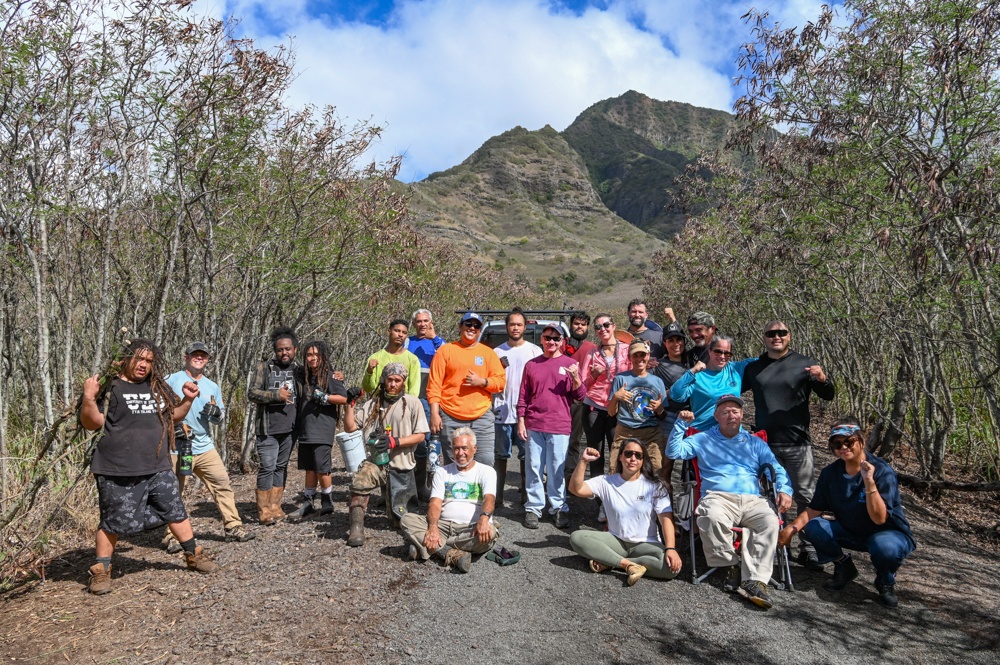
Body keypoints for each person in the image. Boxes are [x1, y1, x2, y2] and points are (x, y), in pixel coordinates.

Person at [80, 339, 218, 595]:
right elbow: (93, 422)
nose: (144, 365)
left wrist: (187, 401)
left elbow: (172, 417)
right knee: (112, 521)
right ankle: (101, 570)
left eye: (149, 361)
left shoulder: (156, 387)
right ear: (126, 359)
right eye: (139, 359)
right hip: (117, 468)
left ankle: (194, 554)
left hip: (157, 465)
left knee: (175, 509)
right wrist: (88, 398)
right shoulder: (111, 387)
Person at [667, 395, 792, 610]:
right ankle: (730, 564)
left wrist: (784, 489)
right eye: (725, 412)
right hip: (718, 497)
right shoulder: (703, 439)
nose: (730, 415)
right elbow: (674, 451)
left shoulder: (755, 442)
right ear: (716, 416)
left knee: (770, 521)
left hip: (753, 499)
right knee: (711, 516)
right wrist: (680, 424)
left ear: (742, 415)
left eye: (735, 411)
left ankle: (755, 580)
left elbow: (775, 469)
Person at [778, 418, 915, 608]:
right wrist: (790, 530)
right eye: (837, 443)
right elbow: (814, 509)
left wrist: (869, 482)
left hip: (887, 533)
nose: (843, 447)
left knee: (885, 547)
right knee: (814, 526)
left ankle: (885, 581)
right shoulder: (830, 473)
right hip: (851, 530)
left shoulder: (882, 471)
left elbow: (879, 518)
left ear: (862, 441)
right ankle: (843, 565)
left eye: (849, 442)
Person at [743, 321, 836, 569]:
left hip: (798, 442)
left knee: (805, 496)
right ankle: (773, 545)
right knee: (769, 496)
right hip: (765, 443)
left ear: (789, 336)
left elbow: (828, 394)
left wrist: (823, 379)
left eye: (781, 333)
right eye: (771, 334)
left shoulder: (805, 364)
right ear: (763, 338)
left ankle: (809, 548)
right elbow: (729, 390)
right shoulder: (754, 368)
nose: (776, 337)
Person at [163, 342, 253, 552]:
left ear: (207, 360)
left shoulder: (212, 386)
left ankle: (233, 527)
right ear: (186, 357)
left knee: (222, 484)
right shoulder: (171, 380)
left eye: (203, 356)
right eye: (195, 355)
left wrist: (216, 414)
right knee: (173, 492)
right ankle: (171, 536)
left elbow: (219, 418)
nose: (199, 358)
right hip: (177, 446)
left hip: (204, 446)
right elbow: (159, 409)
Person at [567, 440, 682, 585]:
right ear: (620, 457)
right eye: (628, 454)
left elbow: (666, 519)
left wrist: (670, 548)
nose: (633, 459)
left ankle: (611, 562)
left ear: (643, 460)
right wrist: (583, 461)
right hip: (616, 541)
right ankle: (627, 565)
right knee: (577, 537)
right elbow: (575, 489)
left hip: (647, 544)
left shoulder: (655, 486)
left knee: (671, 569)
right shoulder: (606, 482)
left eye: (638, 455)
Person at [344, 363, 429, 546]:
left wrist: (395, 442)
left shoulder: (413, 403)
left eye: (397, 380)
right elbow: (350, 427)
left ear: (403, 382)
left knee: (401, 522)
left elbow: (421, 435)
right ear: (383, 380)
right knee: (360, 481)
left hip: (402, 464)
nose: (392, 384)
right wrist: (349, 404)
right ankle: (356, 528)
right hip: (377, 462)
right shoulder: (372, 404)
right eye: (389, 380)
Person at [399, 428, 498, 573]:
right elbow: (435, 503)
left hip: (471, 529)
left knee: (490, 533)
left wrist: (484, 518)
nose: (460, 453)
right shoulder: (442, 472)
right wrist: (433, 527)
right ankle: (450, 553)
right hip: (443, 527)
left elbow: (489, 499)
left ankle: (427, 548)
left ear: (474, 449)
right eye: (456, 449)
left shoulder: (486, 471)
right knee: (407, 520)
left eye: (464, 448)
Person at [517, 324, 586, 529]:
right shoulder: (531, 365)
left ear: (563, 341)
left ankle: (558, 507)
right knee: (534, 467)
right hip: (534, 423)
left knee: (556, 468)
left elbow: (580, 396)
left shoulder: (570, 364)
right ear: (542, 340)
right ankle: (534, 507)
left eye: (556, 339)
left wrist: (575, 377)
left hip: (559, 424)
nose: (551, 342)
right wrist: (521, 420)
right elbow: (523, 396)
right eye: (548, 338)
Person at [427, 312, 506, 466]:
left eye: (476, 325)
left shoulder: (488, 353)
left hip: (481, 417)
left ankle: (484, 491)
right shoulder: (445, 351)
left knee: (486, 462)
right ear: (460, 327)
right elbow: (434, 385)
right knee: (454, 464)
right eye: (468, 324)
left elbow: (501, 382)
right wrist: (434, 414)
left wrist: (482, 381)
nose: (472, 328)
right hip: (450, 416)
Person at [285, 341, 350, 522]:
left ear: (323, 357)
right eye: (309, 355)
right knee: (309, 467)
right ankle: (308, 502)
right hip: (305, 428)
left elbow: (344, 398)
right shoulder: (302, 376)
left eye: (316, 355)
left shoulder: (330, 377)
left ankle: (327, 502)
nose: (313, 358)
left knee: (322, 467)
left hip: (322, 427)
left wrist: (325, 397)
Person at [248, 326, 300, 524]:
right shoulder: (264, 368)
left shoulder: (298, 370)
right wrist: (276, 396)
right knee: (267, 467)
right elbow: (252, 393)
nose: (284, 353)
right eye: (280, 350)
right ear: (275, 351)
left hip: (290, 428)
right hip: (267, 428)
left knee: (281, 466)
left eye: (287, 349)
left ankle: (276, 506)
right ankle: (263, 510)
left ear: (294, 349)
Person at [492, 308, 541, 508]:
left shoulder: (535, 351)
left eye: (519, 324)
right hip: (501, 411)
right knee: (500, 456)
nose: (515, 327)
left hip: (525, 414)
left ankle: (525, 496)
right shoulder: (496, 352)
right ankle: (497, 497)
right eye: (512, 324)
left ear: (525, 327)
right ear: (507, 327)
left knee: (526, 456)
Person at [580, 313, 631, 480]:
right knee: (596, 453)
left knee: (618, 452)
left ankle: (616, 495)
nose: (603, 329)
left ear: (614, 326)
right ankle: (599, 501)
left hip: (618, 408)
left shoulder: (627, 350)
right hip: (594, 407)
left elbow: (637, 373)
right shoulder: (592, 354)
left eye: (606, 325)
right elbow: (582, 386)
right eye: (598, 327)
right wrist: (594, 375)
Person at [668, 336, 754, 432]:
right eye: (718, 352)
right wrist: (692, 371)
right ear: (709, 351)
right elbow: (675, 395)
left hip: (732, 434)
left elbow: (765, 361)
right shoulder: (697, 375)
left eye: (727, 353)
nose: (722, 356)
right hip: (703, 433)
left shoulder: (736, 369)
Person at [607, 339, 667, 473]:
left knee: (656, 471)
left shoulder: (657, 382)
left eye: (642, 355)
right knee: (615, 471)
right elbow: (611, 413)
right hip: (624, 432)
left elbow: (663, 415)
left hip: (651, 433)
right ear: (629, 358)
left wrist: (659, 409)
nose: (639, 359)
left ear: (648, 356)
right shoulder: (620, 379)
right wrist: (616, 397)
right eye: (635, 355)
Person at [406, 308, 446, 503]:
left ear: (431, 322)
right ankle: (418, 486)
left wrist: (435, 338)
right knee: (418, 442)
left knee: (435, 443)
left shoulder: (440, 343)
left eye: (425, 321)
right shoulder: (407, 342)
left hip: (435, 399)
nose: (422, 324)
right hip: (414, 397)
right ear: (414, 324)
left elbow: (448, 358)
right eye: (419, 321)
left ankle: (433, 487)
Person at [650, 321, 690, 493]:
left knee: (692, 470)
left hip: (692, 419)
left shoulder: (693, 363)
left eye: (679, 340)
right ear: (665, 343)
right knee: (664, 469)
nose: (676, 344)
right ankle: (665, 513)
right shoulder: (657, 365)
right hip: (668, 419)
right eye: (671, 340)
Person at [566, 311, 596, 475]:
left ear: (588, 327)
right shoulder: (562, 344)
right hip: (561, 398)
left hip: (581, 400)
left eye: (583, 324)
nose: (579, 327)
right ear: (571, 325)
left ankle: (569, 473)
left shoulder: (592, 348)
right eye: (576, 323)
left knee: (574, 438)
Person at [362, 319, 421, 397]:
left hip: (403, 404)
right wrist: (369, 371)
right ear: (389, 331)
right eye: (397, 331)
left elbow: (414, 389)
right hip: (380, 403)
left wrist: (408, 405)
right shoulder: (376, 357)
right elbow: (368, 388)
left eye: (404, 332)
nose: (400, 335)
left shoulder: (413, 359)